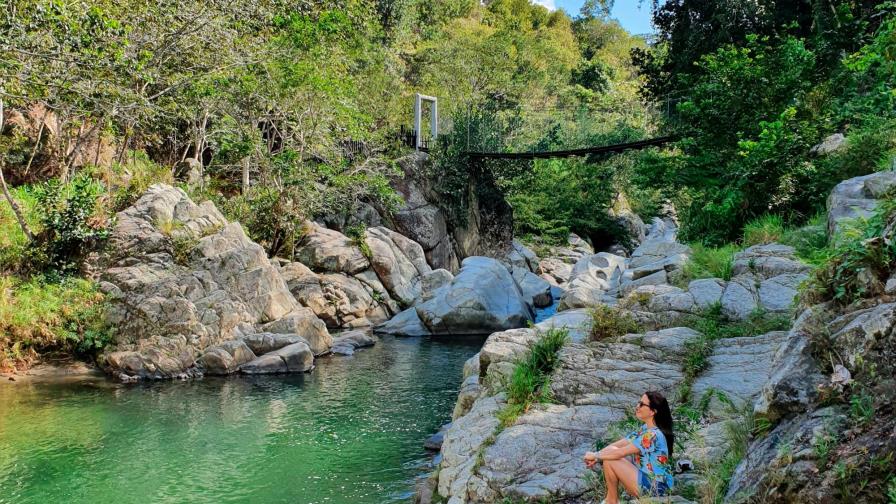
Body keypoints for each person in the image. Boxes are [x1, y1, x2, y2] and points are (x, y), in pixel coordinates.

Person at [583, 391, 675, 503]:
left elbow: (621, 452)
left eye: (642, 404)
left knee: (612, 458)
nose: (637, 406)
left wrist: (595, 455)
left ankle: (611, 501)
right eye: (638, 403)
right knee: (610, 454)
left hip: (657, 488)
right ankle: (611, 499)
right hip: (648, 479)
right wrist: (596, 458)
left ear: (653, 411)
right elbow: (619, 444)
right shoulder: (646, 428)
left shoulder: (653, 435)